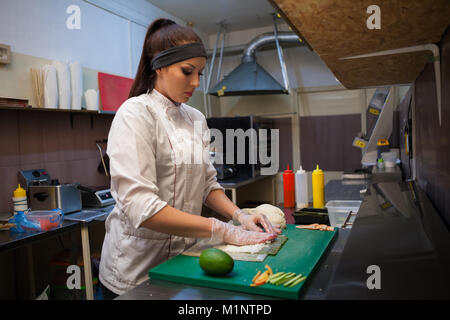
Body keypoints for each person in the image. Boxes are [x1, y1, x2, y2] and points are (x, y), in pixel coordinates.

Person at [99, 18, 281, 299]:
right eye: (187, 71)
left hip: (182, 264)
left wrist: (240, 216)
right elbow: (140, 207)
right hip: (134, 272)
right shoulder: (135, 114)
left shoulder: (195, 118)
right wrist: (220, 230)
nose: (195, 82)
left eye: (200, 73)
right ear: (159, 66)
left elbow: (207, 184)